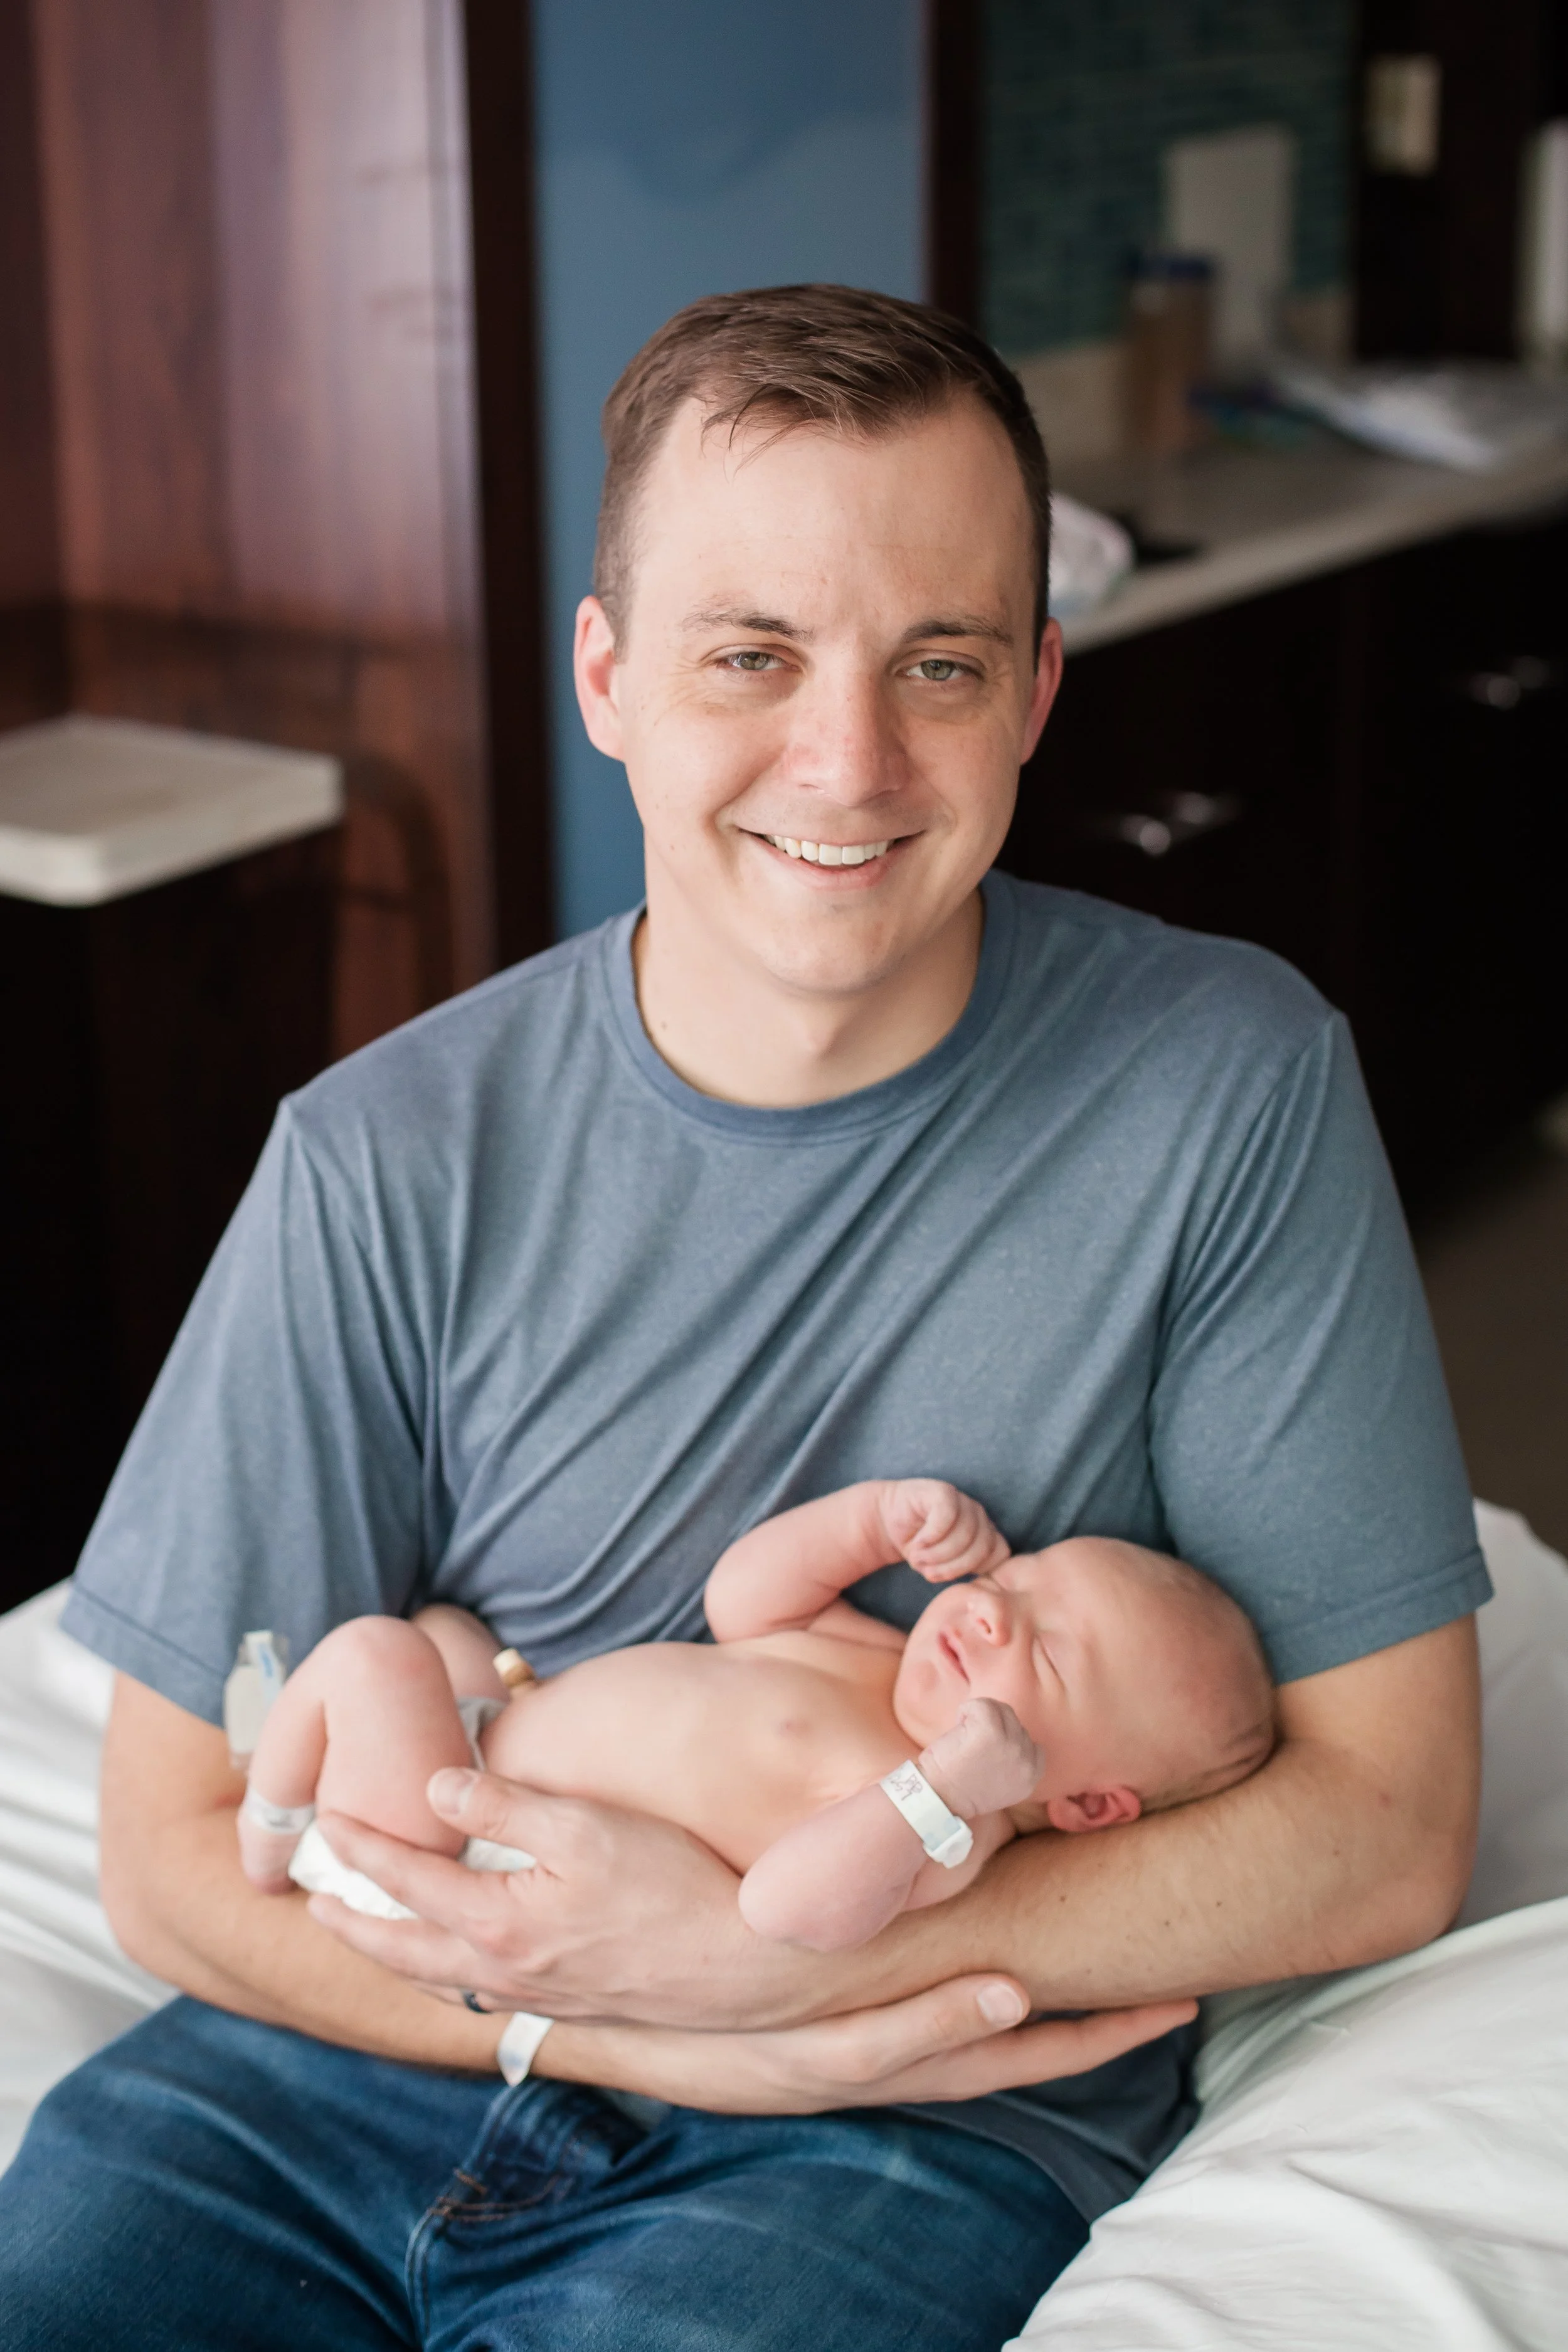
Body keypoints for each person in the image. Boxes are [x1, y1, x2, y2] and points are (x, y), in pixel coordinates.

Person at [0, 285, 1486, 2352]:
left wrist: (794, 1980)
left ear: (1040, 687)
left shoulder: (1224, 1088)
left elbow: (1392, 1826)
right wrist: (644, 2015)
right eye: (750, 656)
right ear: (607, 678)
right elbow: (168, 1849)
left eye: (940, 663)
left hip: (905, 2128)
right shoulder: (381, 1156)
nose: (849, 762)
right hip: (341, 2071)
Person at [237, 1481, 1276, 1962]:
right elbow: (743, 1600)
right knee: (445, 1629)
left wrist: (945, 1785)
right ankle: (278, 1740)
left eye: (1044, 1651)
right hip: (489, 1730)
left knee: (378, 1653)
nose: (992, 1608)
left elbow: (784, 1907)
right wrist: (872, 1522)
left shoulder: (942, 1833)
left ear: (1089, 1799)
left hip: (462, 1848)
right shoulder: (877, 1661)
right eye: (1023, 1578)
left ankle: (269, 1827)